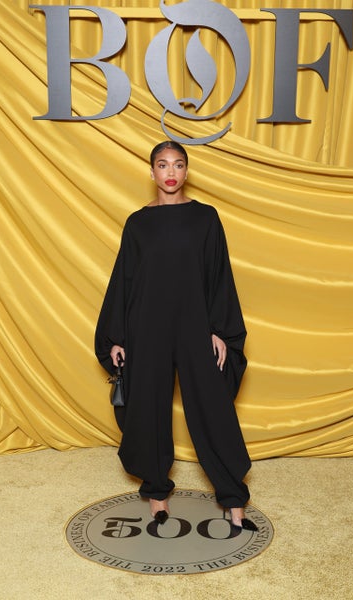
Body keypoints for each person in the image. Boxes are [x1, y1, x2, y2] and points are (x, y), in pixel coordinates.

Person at [95, 141, 257, 532]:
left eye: (178, 164)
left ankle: (234, 499)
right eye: (163, 165)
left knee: (213, 409)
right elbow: (124, 282)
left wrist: (219, 330)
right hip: (146, 326)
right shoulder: (137, 223)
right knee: (148, 408)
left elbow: (218, 276)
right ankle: (157, 494)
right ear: (151, 171)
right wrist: (117, 337)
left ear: (187, 171)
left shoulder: (206, 218)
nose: (171, 172)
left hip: (195, 326)